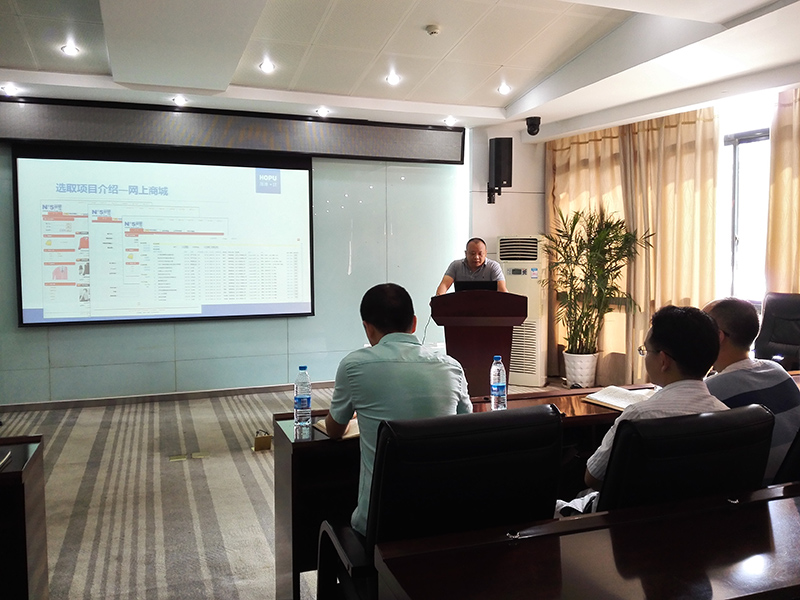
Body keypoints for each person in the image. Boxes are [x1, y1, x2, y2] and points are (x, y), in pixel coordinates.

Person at [324, 283, 472, 536]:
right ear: (414, 323)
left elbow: (334, 430)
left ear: (367, 328)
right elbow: (465, 426)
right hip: (443, 520)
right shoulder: (451, 367)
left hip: (380, 526)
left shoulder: (353, 366)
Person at [584, 305, 728, 491]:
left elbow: (593, 478)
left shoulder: (639, 416)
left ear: (663, 361)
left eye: (646, 350)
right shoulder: (727, 415)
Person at [704, 297, 800, 484]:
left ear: (718, 336)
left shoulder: (711, 390)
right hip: (790, 488)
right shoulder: (777, 370)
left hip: (756, 492)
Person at [435, 237, 508, 295]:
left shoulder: (493, 266)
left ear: (485, 253)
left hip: (488, 306)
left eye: (480, 254)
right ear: (466, 253)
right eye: (472, 253)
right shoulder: (456, 266)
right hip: (462, 305)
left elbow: (502, 290)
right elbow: (444, 285)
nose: (476, 257)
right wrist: (438, 300)